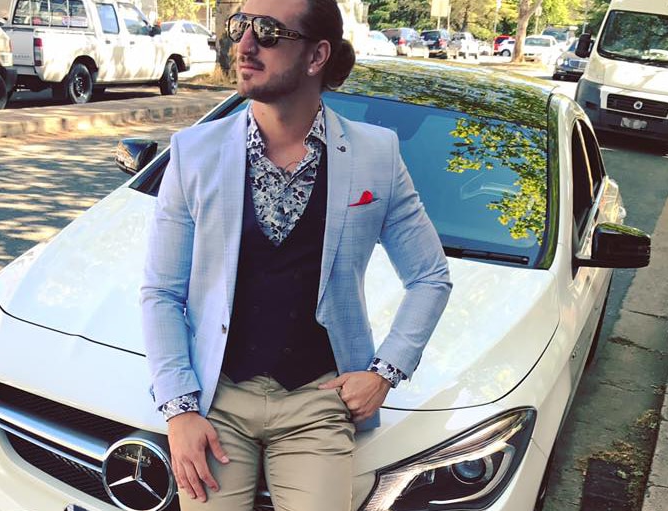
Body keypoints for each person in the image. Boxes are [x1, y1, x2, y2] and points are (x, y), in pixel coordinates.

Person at [140, 0, 452, 509]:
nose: (244, 44)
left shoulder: (376, 155)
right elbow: (161, 291)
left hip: (317, 399)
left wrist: (385, 371)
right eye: (239, 27)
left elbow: (429, 277)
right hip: (216, 396)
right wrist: (178, 410)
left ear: (316, 56)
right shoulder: (194, 152)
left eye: (267, 32)